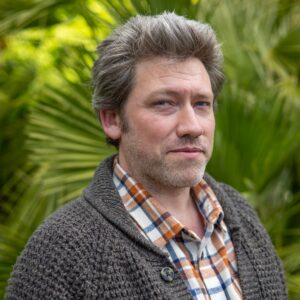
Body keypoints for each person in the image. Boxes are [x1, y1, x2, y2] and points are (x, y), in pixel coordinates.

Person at [6, 12, 287, 300]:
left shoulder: (241, 217)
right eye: (164, 103)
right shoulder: (61, 251)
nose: (192, 126)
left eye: (202, 103)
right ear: (112, 120)